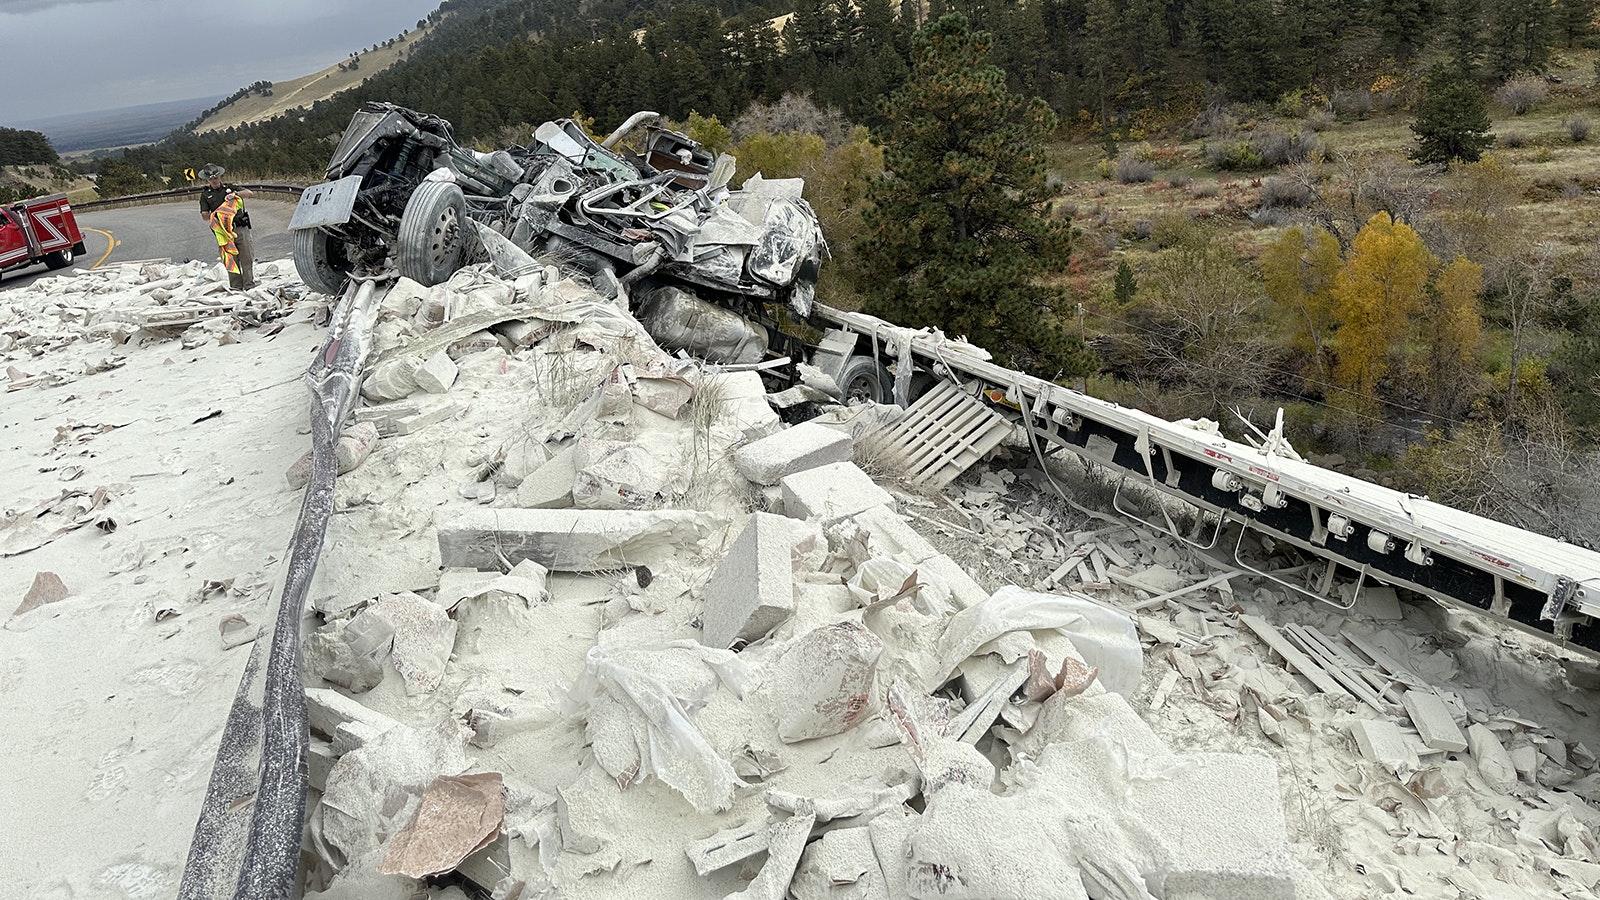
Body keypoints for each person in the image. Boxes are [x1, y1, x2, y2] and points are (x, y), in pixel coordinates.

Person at [197, 163, 256, 290]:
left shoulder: (230, 188)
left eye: (216, 178)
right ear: (208, 180)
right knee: (231, 260)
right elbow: (204, 215)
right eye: (212, 179)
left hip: (239, 227)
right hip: (224, 232)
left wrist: (236, 195)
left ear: (220, 177)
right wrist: (217, 214)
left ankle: (249, 285)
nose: (215, 181)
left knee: (246, 257)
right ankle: (236, 288)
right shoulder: (206, 195)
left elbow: (249, 193)